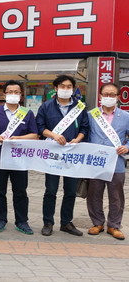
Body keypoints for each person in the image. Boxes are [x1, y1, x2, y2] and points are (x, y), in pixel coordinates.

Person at [36, 75, 88, 237]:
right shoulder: (46, 107)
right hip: (53, 154)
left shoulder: (80, 107)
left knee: (71, 190)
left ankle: (66, 222)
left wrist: (77, 139)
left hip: (72, 154)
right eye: (62, 86)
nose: (65, 89)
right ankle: (48, 222)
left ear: (73, 89)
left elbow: (85, 129)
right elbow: (40, 127)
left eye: (68, 87)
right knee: (50, 190)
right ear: (56, 88)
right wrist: (53, 136)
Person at [0, 80, 38, 235]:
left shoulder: (27, 113)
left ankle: (22, 221)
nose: (13, 94)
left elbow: (35, 135)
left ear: (21, 95)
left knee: (20, 191)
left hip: (20, 158)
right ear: (4, 94)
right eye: (10, 92)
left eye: (16, 92)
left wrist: (18, 139)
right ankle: (0, 219)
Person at [86, 83, 129, 240]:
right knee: (94, 194)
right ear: (100, 96)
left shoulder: (126, 116)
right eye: (106, 94)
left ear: (118, 97)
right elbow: (84, 134)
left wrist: (127, 147)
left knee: (116, 195)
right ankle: (97, 223)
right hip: (95, 163)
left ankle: (114, 225)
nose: (109, 97)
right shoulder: (91, 115)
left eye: (112, 95)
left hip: (116, 163)